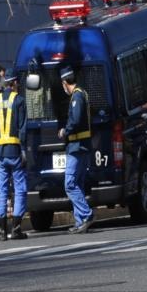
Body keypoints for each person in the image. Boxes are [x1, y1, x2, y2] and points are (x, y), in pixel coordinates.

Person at [0, 68, 28, 241]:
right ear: (14, 83)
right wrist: (24, 150)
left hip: (0, 153)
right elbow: (23, 129)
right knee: (20, 189)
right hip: (15, 152)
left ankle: (2, 231)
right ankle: (16, 228)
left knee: (2, 190)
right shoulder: (19, 101)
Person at [58, 66, 94, 234]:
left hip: (77, 147)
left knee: (70, 184)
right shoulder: (80, 94)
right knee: (77, 183)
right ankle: (80, 222)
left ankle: (86, 215)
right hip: (81, 146)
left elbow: (76, 119)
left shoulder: (77, 96)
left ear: (65, 83)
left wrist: (65, 130)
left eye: (62, 84)